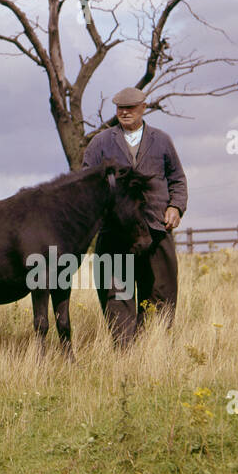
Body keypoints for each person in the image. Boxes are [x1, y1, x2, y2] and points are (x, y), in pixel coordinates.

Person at [81, 86, 187, 341]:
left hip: (156, 229)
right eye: (120, 108)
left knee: (161, 292)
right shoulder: (100, 142)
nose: (125, 112)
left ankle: (154, 349)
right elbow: (85, 181)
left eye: (130, 108)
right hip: (115, 233)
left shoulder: (161, 140)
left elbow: (178, 180)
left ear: (143, 108)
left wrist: (175, 207)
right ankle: (125, 352)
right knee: (116, 293)